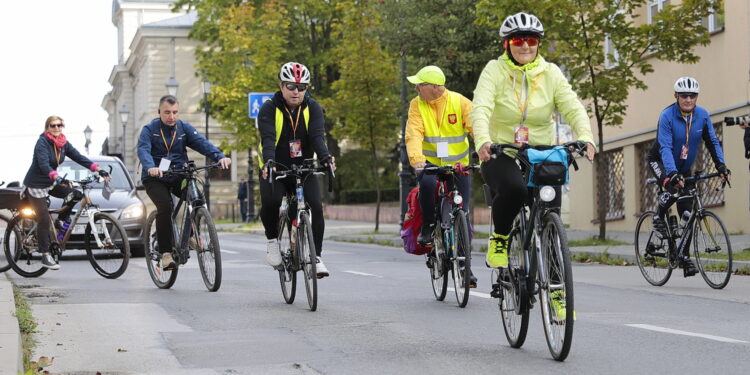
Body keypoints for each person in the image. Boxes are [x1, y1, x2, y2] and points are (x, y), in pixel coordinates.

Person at [471, 12, 596, 272]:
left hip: (541, 153)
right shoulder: (494, 70)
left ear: (538, 43)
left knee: (551, 218)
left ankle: (557, 291)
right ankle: (501, 239)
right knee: (515, 189)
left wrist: (585, 136)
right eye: (518, 41)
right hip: (501, 150)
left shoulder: (550, 73)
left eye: (531, 40)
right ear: (507, 44)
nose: (525, 46)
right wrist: (483, 140)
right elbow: (480, 107)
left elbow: (572, 106)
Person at [258, 62, 335, 278]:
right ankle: (273, 240)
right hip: (276, 166)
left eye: (302, 87)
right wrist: (269, 163)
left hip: (303, 166)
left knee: (316, 208)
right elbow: (268, 140)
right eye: (291, 86)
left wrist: (326, 158)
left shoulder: (313, 108)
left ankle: (316, 256)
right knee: (272, 202)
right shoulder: (269, 108)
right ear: (282, 86)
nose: (296, 92)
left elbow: (318, 137)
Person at [647, 76, 730, 277]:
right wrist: (672, 174)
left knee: (688, 211)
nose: (688, 99)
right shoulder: (667, 115)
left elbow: (712, 141)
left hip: (684, 168)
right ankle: (658, 215)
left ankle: (683, 256)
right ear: (676, 96)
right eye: (684, 95)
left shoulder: (702, 115)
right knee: (673, 190)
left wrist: (721, 165)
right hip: (661, 162)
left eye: (692, 96)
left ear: (697, 97)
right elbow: (665, 147)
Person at [137, 95, 231, 270]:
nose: (171, 116)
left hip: (178, 174)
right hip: (155, 177)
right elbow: (143, 150)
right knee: (165, 206)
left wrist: (219, 156)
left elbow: (202, 143)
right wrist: (150, 166)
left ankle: (190, 235)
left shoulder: (183, 128)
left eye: (174, 112)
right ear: (159, 112)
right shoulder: (149, 130)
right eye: (167, 113)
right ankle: (166, 253)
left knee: (196, 196)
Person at [404, 65, 477, 288]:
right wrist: (417, 159)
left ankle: (466, 266)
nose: (416, 88)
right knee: (426, 185)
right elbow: (414, 132)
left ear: (435, 87)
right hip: (429, 164)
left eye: (420, 84)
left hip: (458, 166)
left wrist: (485, 151)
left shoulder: (461, 102)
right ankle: (427, 226)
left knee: (461, 212)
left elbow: (477, 128)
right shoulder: (416, 104)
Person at [22, 116, 110, 270]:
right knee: (42, 218)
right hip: (36, 184)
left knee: (75, 194)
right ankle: (44, 255)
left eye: (60, 125)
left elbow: (79, 158)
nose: (57, 128)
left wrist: (98, 169)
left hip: (51, 182)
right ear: (47, 127)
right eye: (53, 125)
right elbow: (43, 164)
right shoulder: (42, 142)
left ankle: (61, 220)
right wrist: (57, 176)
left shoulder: (63, 144)